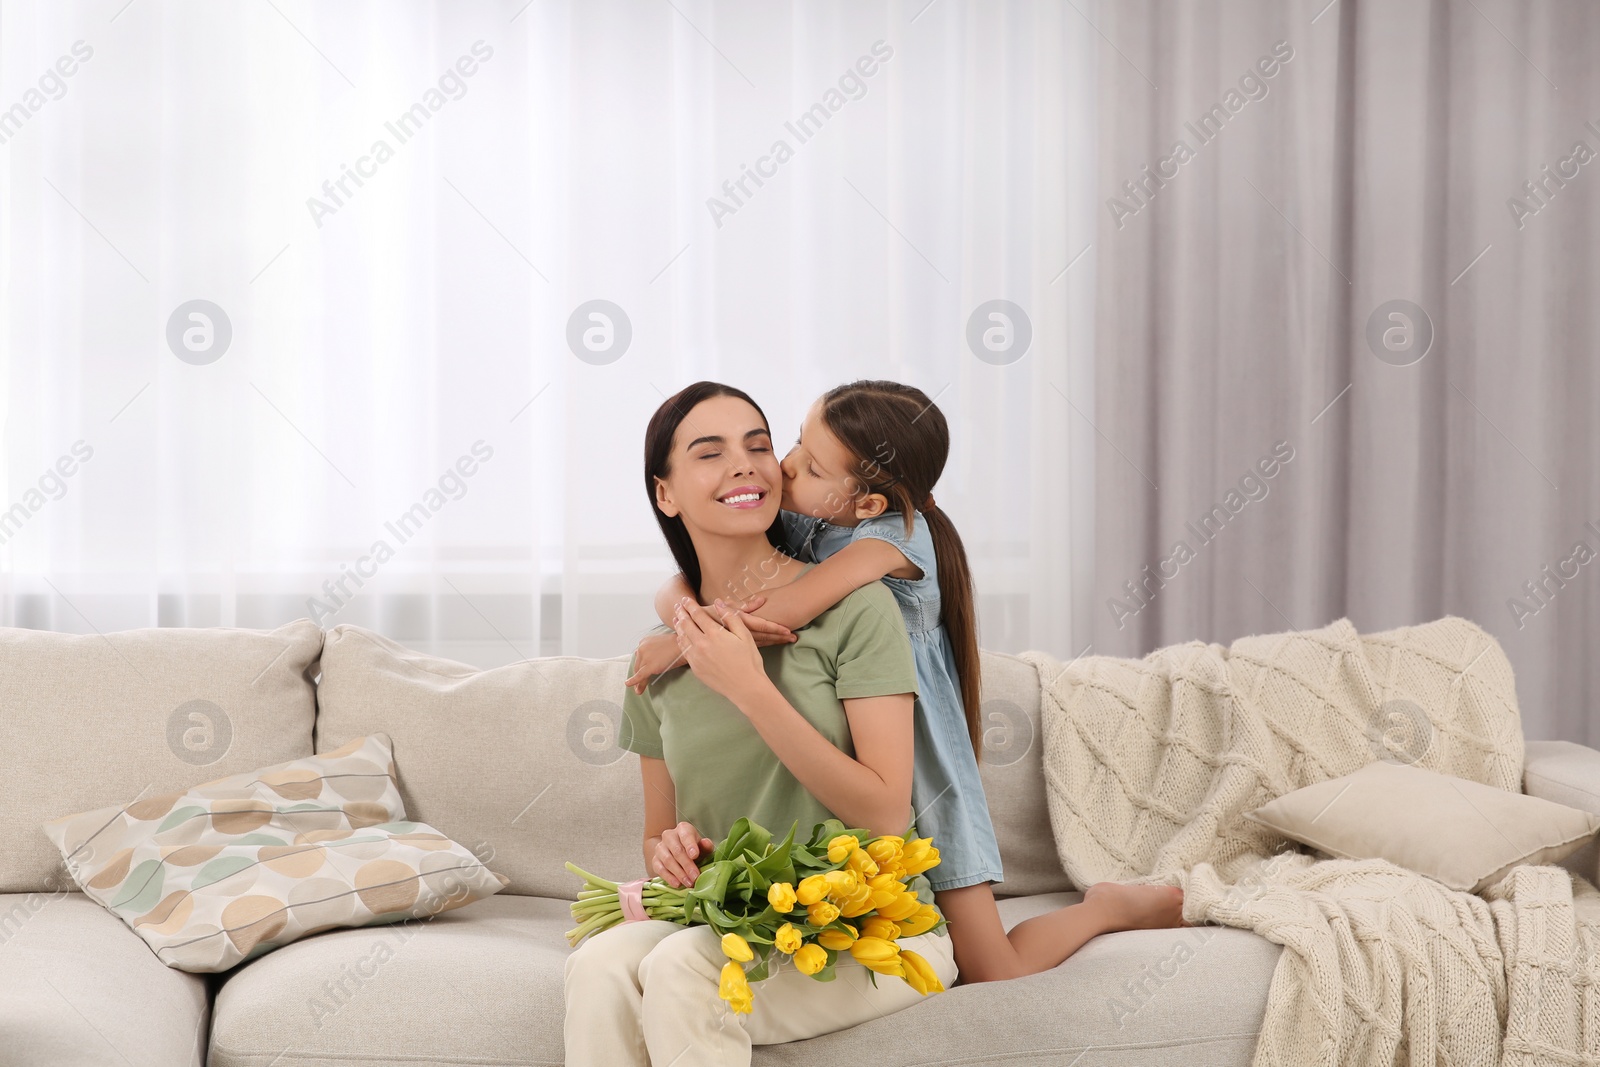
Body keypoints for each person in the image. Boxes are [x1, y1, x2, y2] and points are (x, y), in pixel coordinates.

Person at [626, 379, 1186, 984]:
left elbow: (779, 614)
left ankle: (1106, 907)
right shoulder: (811, 517)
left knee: (990, 966)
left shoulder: (893, 539)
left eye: (807, 464)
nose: (782, 470)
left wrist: (684, 643)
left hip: (921, 755)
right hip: (861, 737)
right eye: (792, 445)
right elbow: (681, 580)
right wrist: (677, 620)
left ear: (867, 501)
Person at [563, 381, 955, 1067]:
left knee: (687, 968)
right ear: (667, 494)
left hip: (876, 925)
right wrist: (672, 851)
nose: (746, 463)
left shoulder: (858, 609)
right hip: (735, 920)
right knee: (598, 964)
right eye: (710, 452)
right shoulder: (660, 657)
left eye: (759, 445)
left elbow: (888, 812)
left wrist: (750, 689)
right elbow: (657, 841)